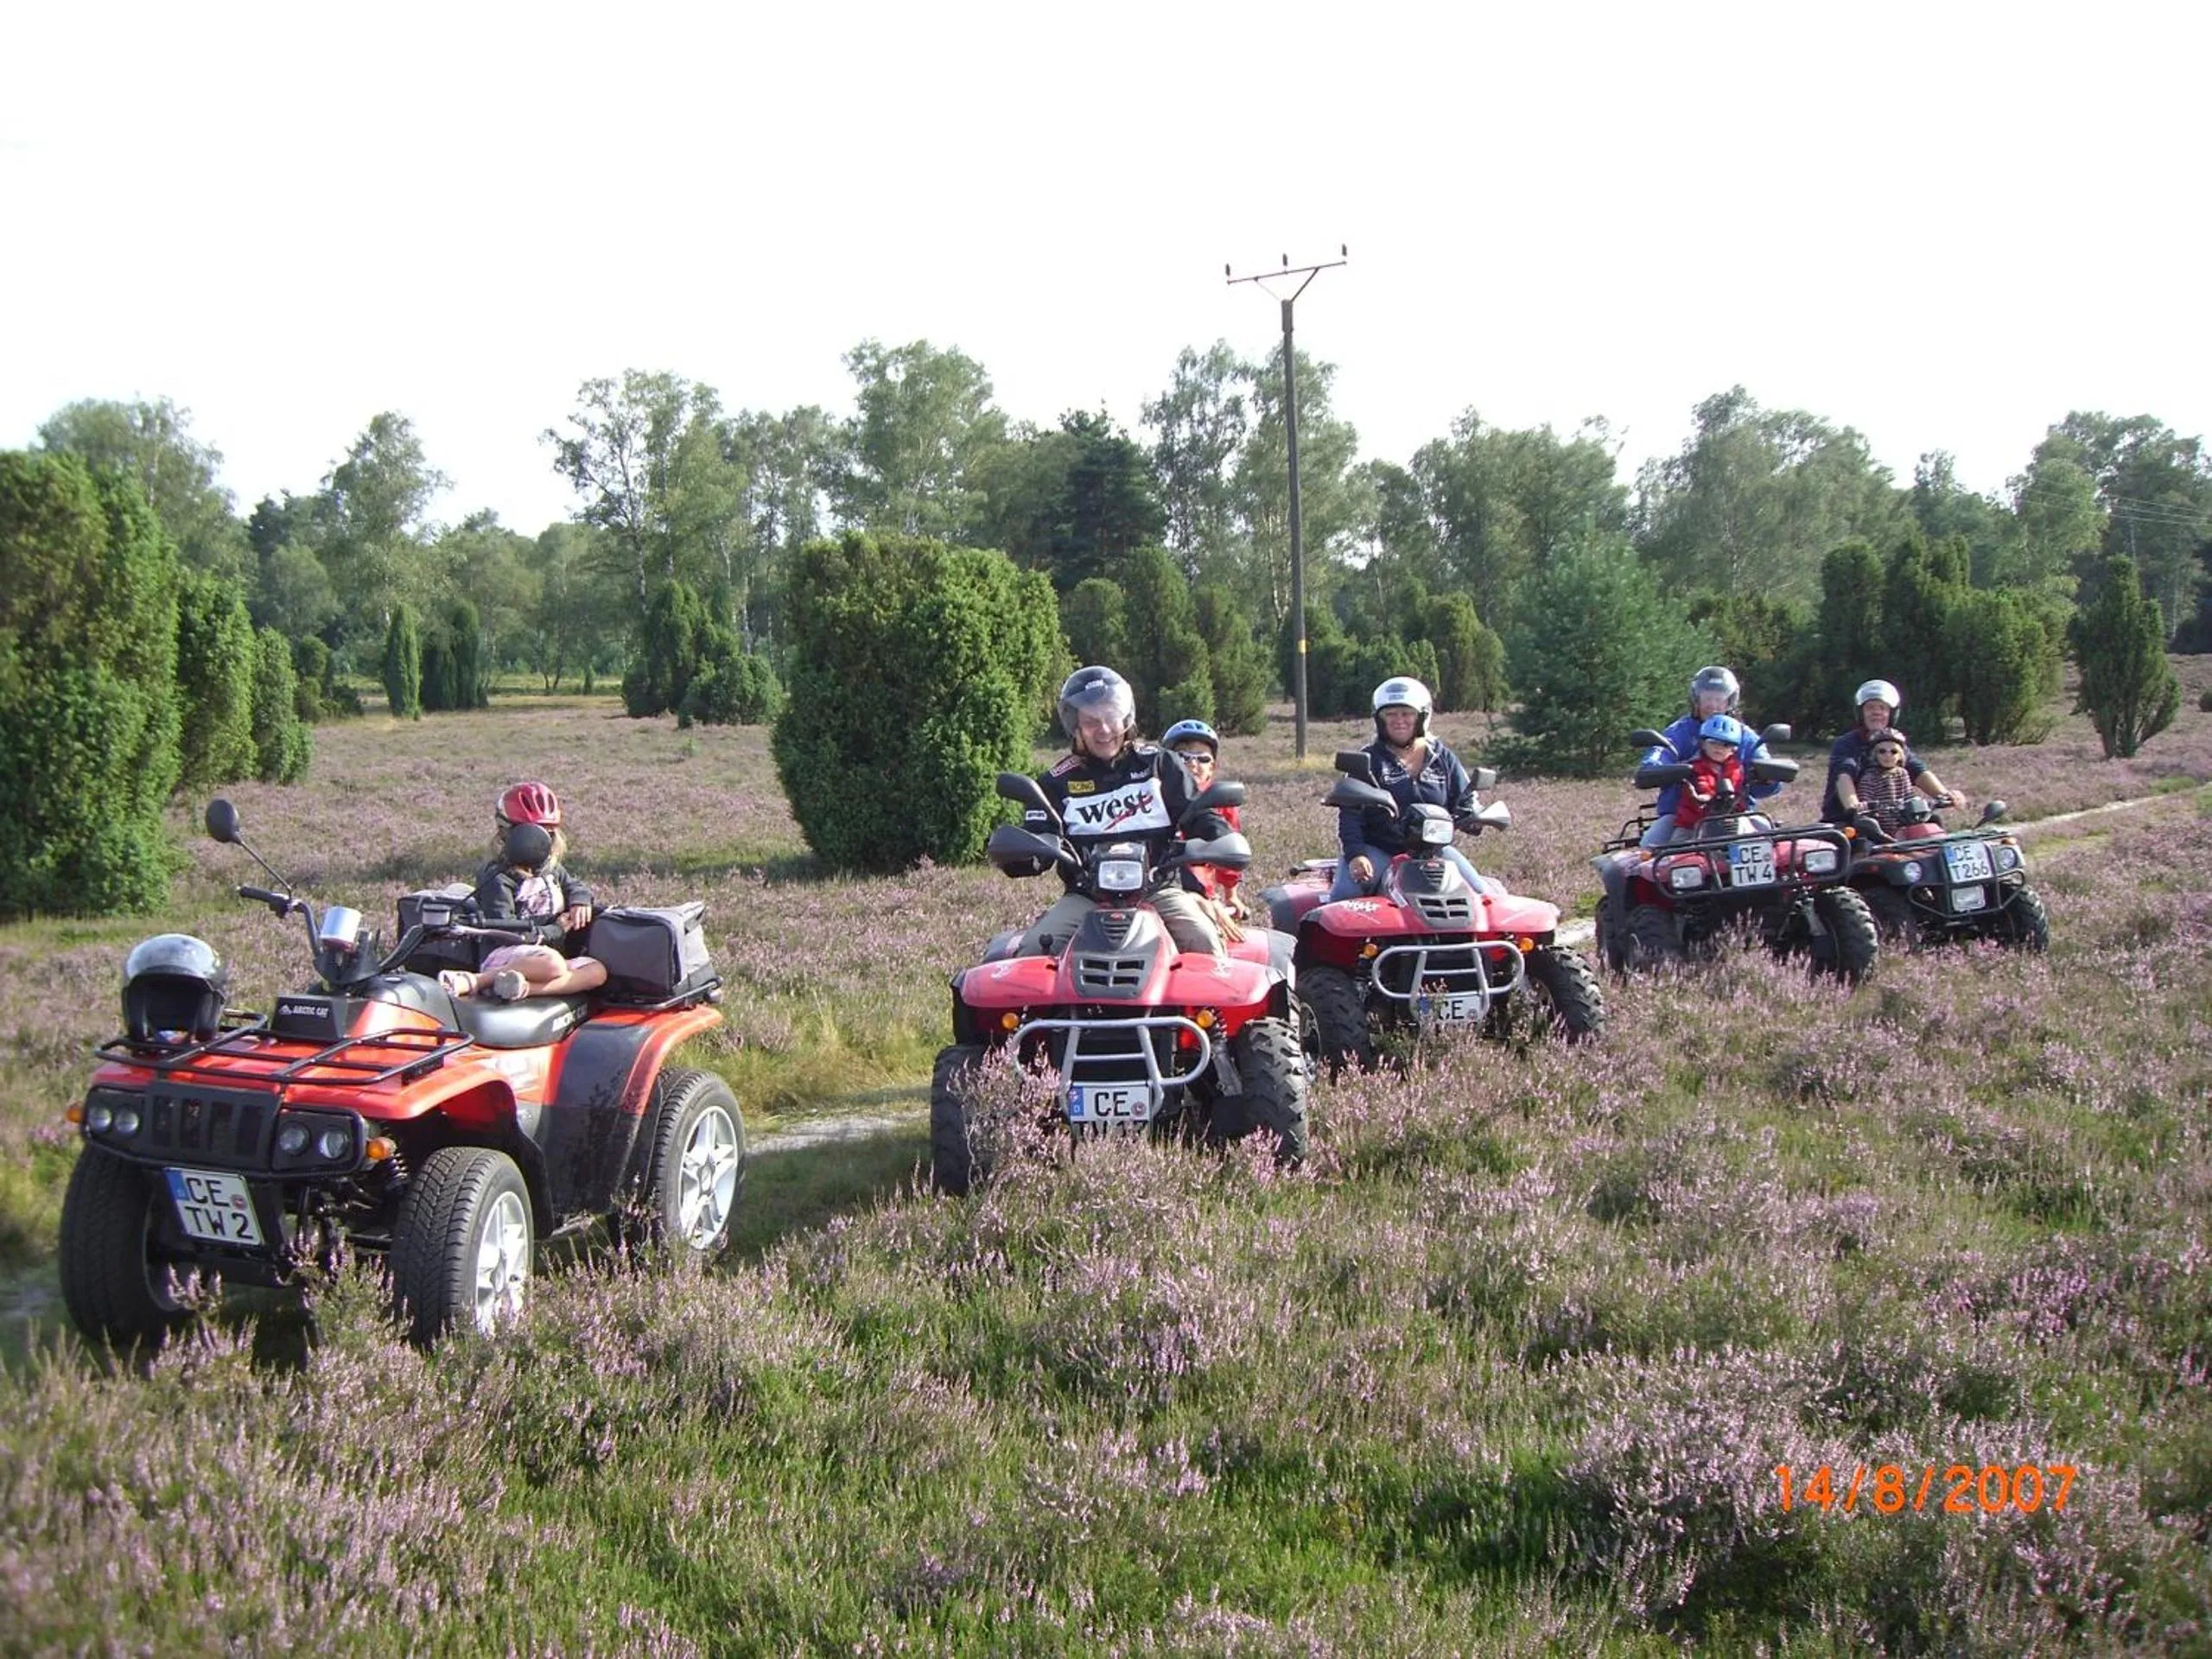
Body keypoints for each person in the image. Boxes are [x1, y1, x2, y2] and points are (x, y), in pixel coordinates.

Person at [1021, 668, 1230, 959]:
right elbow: (1037, 838)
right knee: (1033, 950)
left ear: (1125, 717)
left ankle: (1203, 1008)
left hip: (1158, 890)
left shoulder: (1159, 764)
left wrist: (1222, 839)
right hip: (1085, 896)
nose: (1104, 729)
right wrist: (1022, 853)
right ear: (1076, 726)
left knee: (1203, 940)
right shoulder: (1056, 782)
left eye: (1110, 716)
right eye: (1092, 721)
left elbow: (1197, 813)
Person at [437, 781, 610, 1001]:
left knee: (597, 972)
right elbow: (503, 929)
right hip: (505, 955)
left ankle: (521, 988)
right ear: (508, 835)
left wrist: (580, 900)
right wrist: (554, 931)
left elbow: (574, 885)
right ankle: (477, 980)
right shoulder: (498, 877)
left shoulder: (551, 869)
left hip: (542, 955)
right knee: (553, 964)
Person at [1329, 676, 1490, 902]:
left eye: (1407, 713)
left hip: (1434, 851)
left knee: (1481, 895)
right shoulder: (1367, 760)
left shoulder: (1442, 757)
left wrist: (1475, 816)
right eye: (1391, 714)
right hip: (1380, 850)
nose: (1399, 720)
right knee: (1344, 899)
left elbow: (1465, 797)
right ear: (1379, 719)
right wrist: (1356, 855)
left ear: (1422, 717)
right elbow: (1350, 815)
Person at [1637, 665, 1782, 848]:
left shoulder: (1745, 736)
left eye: (1719, 699)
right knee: (1649, 849)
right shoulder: (1678, 733)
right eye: (1707, 698)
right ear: (1696, 699)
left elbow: (1765, 768)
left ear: (1730, 701)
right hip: (1682, 818)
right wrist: (1661, 770)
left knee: (1773, 845)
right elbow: (1658, 756)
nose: (1713, 705)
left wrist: (1767, 776)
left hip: (1738, 814)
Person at [1821, 679, 1961, 823]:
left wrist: (1946, 795)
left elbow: (1918, 771)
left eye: (1882, 708)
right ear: (1861, 713)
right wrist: (1854, 806)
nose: (1876, 712)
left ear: (1892, 713)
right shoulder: (1847, 744)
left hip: (1894, 821)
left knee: (1933, 825)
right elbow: (1844, 776)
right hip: (1849, 822)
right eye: (1870, 708)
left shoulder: (1895, 743)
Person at [1161, 717, 1248, 943]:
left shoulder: (1219, 800)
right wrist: (1206, 899)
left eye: (1203, 758)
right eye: (1183, 757)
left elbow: (1230, 852)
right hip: (1161, 887)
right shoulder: (1151, 797)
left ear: (1213, 766)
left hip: (1203, 892)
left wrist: (1231, 896)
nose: (1193, 764)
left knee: (1217, 943)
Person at [1673, 715, 1750, 839]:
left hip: (1732, 821)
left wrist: (1767, 780)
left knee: (1763, 835)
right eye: (1713, 742)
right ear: (1702, 743)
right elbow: (1698, 787)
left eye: (1726, 744)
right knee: (1676, 851)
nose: (1718, 748)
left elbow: (1740, 794)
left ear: (1734, 749)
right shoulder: (1691, 768)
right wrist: (1706, 798)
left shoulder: (1738, 768)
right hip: (1693, 823)